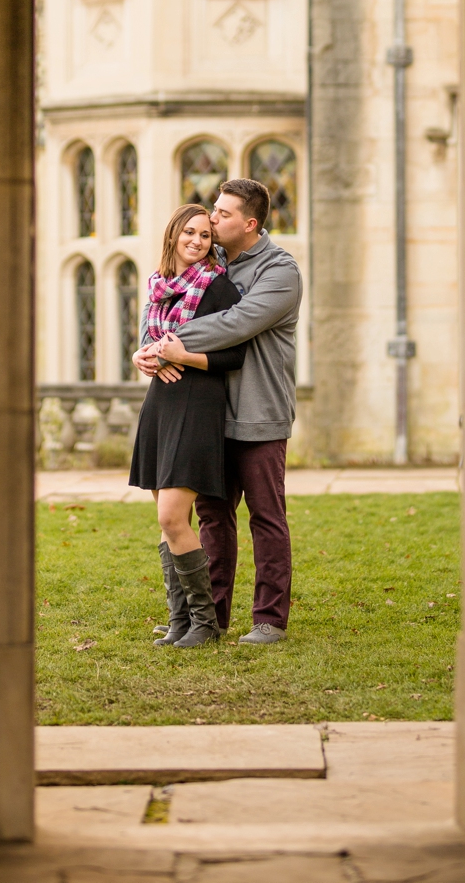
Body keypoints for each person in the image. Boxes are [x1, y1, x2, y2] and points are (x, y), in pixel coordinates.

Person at [138, 177, 304, 645]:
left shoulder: (280, 271)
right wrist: (145, 349)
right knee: (213, 517)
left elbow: (237, 324)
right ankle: (207, 615)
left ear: (249, 223)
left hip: (258, 410)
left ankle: (269, 619)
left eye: (223, 214)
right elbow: (162, 303)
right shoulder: (211, 265)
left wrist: (167, 346)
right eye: (213, 210)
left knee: (266, 516)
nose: (211, 219)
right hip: (209, 414)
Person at [129, 204, 249, 649]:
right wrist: (143, 356)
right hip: (162, 402)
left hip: (198, 404)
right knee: (166, 523)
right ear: (174, 235)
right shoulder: (159, 289)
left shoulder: (218, 288)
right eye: (190, 233)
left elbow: (234, 357)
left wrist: (183, 358)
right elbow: (148, 342)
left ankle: (205, 622)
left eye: (205, 235)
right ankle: (180, 620)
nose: (197, 242)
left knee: (173, 516)